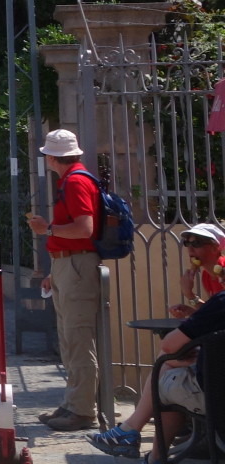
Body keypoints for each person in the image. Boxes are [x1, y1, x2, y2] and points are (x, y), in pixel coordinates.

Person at [88, 286, 225, 459]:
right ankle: (133, 435)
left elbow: (169, 344)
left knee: (163, 379)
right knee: (170, 367)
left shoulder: (221, 302)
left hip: (215, 398)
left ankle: (146, 449)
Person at [26, 128, 101, 432]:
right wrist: (53, 272)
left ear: (53, 158)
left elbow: (84, 228)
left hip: (76, 265)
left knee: (78, 339)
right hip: (67, 265)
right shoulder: (74, 180)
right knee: (70, 339)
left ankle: (83, 410)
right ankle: (73, 404)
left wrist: (47, 230)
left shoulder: (76, 183)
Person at [172, 223, 225, 318]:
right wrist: (191, 311)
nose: (190, 249)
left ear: (214, 248)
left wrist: (190, 294)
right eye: (187, 243)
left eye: (196, 244)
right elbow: (215, 312)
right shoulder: (207, 275)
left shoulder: (223, 270)